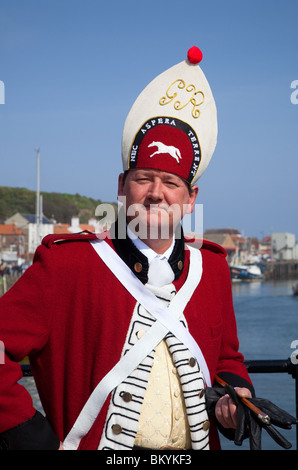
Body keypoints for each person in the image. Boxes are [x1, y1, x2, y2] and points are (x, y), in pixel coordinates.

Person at [0, 46, 254, 451]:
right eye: (143, 179)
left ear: (190, 198)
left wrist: (237, 398)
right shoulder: (67, 264)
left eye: (171, 183)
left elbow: (226, 361)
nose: (156, 194)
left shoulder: (213, 269)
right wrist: (28, 434)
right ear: (122, 188)